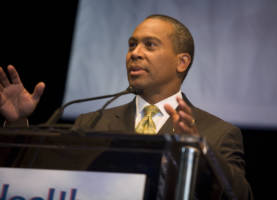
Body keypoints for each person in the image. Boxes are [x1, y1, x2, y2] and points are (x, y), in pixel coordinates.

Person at [0, 15, 253, 199]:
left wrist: (200, 149)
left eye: (149, 45)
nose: (135, 53)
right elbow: (45, 181)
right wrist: (17, 124)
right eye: (132, 45)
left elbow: (240, 196)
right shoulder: (90, 123)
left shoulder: (217, 133)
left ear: (182, 61)